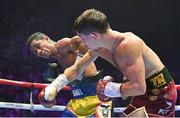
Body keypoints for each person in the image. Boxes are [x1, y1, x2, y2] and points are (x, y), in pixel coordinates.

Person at [41, 9, 177, 117]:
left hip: (160, 92)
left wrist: (109, 89)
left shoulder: (128, 45)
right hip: (143, 92)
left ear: (93, 36)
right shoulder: (98, 48)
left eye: (83, 38)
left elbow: (138, 87)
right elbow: (77, 69)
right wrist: (55, 86)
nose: (82, 42)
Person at [26, 32, 112, 117]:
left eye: (38, 46)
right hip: (77, 101)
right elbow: (67, 81)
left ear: (46, 38)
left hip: (95, 98)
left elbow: (83, 40)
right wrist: (48, 99)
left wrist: (78, 64)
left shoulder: (62, 45)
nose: (38, 51)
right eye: (35, 52)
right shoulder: (55, 63)